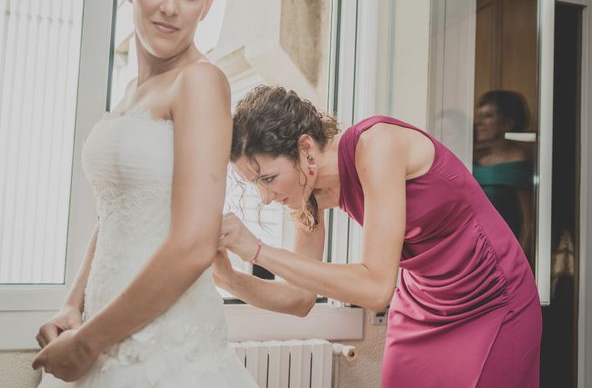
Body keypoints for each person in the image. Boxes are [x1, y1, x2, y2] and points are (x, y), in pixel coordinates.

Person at [32, 0, 256, 386]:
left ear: (207, 4)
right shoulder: (133, 91)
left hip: (165, 349)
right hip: (102, 325)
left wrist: (89, 341)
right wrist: (75, 305)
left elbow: (195, 245)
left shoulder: (200, 82)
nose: (170, 7)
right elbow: (116, 213)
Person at [215, 85, 541, 387]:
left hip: (490, 299)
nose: (266, 197)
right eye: (256, 184)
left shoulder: (377, 145)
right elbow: (299, 299)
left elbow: (375, 288)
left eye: (268, 178)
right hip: (423, 306)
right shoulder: (306, 195)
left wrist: (258, 251)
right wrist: (228, 278)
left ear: (306, 148)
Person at [473, 90, 534, 261]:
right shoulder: (475, 158)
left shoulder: (518, 160)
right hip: (472, 251)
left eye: (488, 116)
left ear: (508, 123)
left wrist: (517, 262)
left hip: (503, 253)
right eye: (479, 116)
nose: (479, 123)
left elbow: (529, 221)